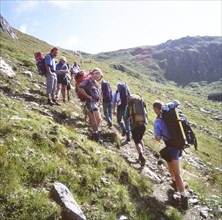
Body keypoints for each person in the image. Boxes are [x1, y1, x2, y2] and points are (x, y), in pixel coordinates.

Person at [153, 100, 188, 209]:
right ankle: (173, 182)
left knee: (178, 173)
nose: (154, 112)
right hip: (178, 144)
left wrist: (158, 134)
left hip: (172, 146)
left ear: (157, 109)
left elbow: (158, 138)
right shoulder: (172, 116)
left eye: (154, 110)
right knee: (168, 160)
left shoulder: (158, 121)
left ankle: (184, 197)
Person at [78, 68, 103, 142]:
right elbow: (80, 87)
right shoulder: (88, 80)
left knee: (97, 119)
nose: (99, 75)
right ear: (93, 73)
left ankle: (94, 133)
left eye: (100, 73)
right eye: (98, 73)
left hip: (95, 103)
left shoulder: (95, 82)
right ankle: (95, 133)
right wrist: (87, 96)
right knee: (96, 118)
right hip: (90, 103)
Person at [124, 94, 147, 166]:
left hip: (134, 126)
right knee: (140, 139)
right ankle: (141, 155)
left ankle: (140, 154)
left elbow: (125, 117)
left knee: (137, 142)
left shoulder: (129, 106)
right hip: (143, 125)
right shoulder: (141, 104)